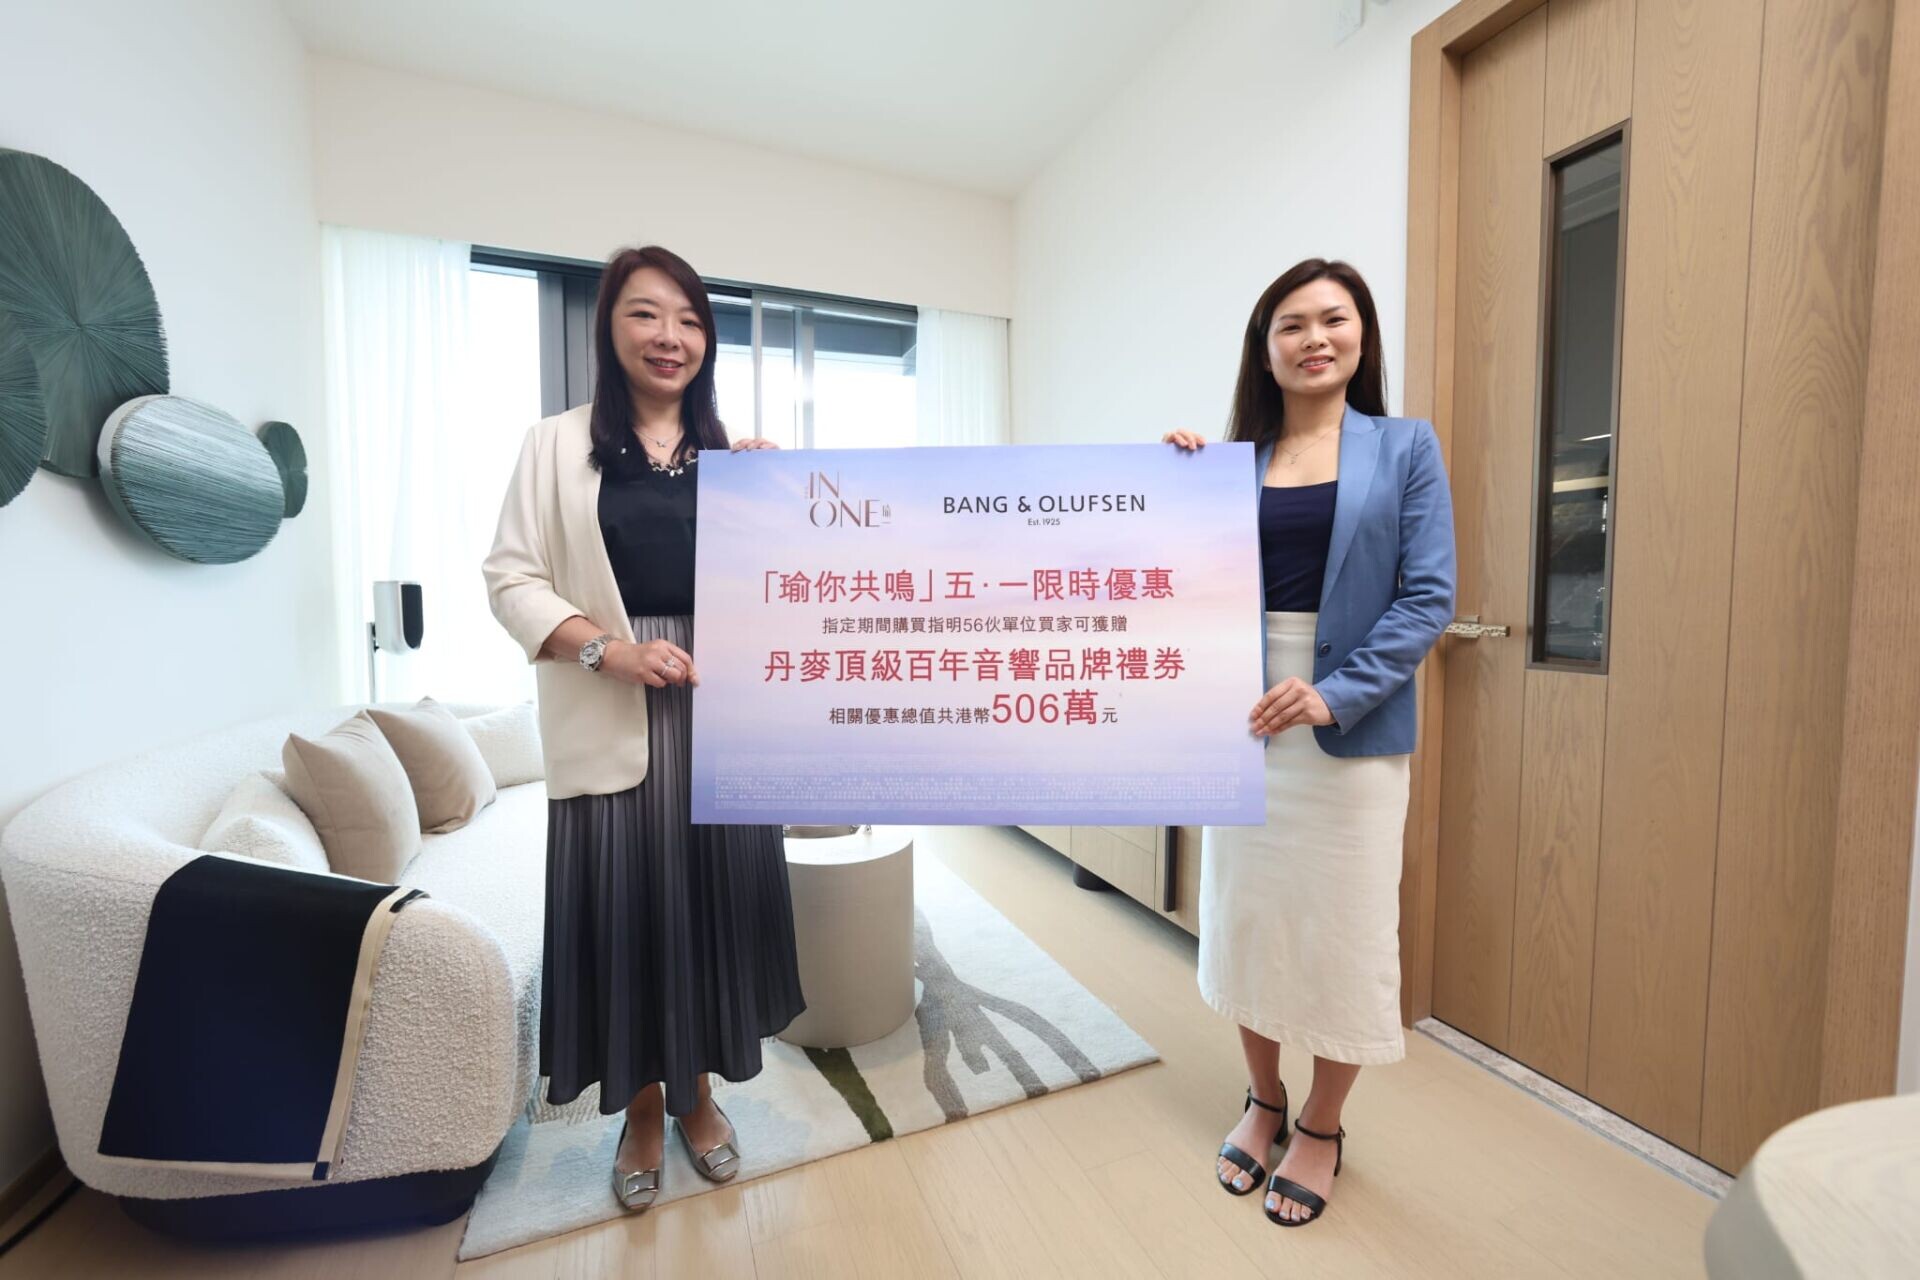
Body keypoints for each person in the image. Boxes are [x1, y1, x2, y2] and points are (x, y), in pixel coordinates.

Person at [484, 244, 805, 1213]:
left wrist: (783, 494)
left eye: (690, 319)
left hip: (725, 710)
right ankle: (638, 1107)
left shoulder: (733, 458)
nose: (671, 336)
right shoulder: (553, 443)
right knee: (628, 912)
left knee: (710, 907)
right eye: (647, 314)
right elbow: (511, 576)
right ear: (610, 327)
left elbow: (791, 583)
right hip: (610, 705)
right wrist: (604, 649)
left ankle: (700, 1097)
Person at [1164, 258, 1455, 1228]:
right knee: (1247, 916)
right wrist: (1165, 484)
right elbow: (1177, 580)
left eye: (1334, 318)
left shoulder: (1405, 448)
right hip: (1237, 716)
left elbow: (1428, 597)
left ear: (1362, 335)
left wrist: (1333, 694)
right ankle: (1263, 1098)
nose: (1315, 336)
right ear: (1266, 345)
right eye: (1292, 323)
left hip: (1349, 728)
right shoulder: (1229, 459)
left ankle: (1322, 1124)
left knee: (1341, 930)